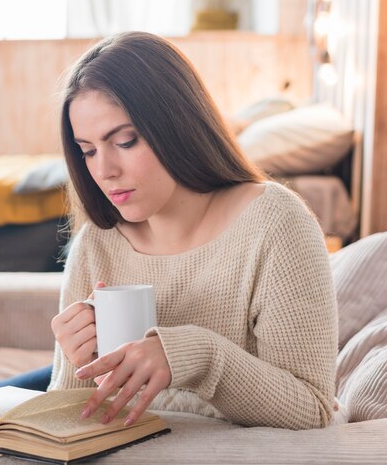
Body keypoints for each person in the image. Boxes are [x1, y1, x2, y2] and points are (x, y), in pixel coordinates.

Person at [46, 31, 338, 431]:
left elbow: (313, 410)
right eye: (88, 151)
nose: (103, 171)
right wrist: (73, 363)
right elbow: (66, 424)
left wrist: (195, 356)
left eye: (126, 141)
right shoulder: (97, 244)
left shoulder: (276, 224)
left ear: (178, 125)